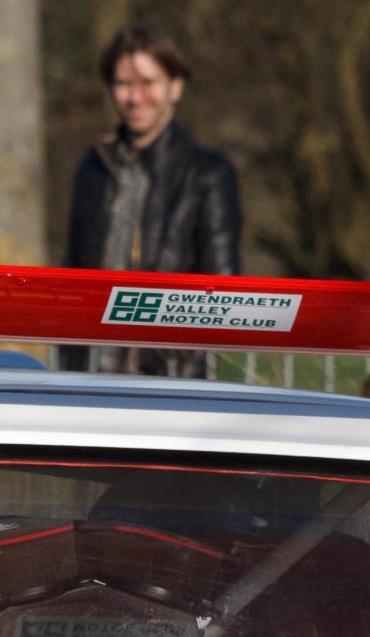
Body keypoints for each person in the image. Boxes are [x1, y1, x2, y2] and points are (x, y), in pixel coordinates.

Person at [60, 25, 242, 375]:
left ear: (175, 86)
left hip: (171, 385)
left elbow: (223, 293)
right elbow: (72, 276)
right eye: (124, 84)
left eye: (148, 83)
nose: (134, 97)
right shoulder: (92, 168)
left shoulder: (209, 175)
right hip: (89, 378)